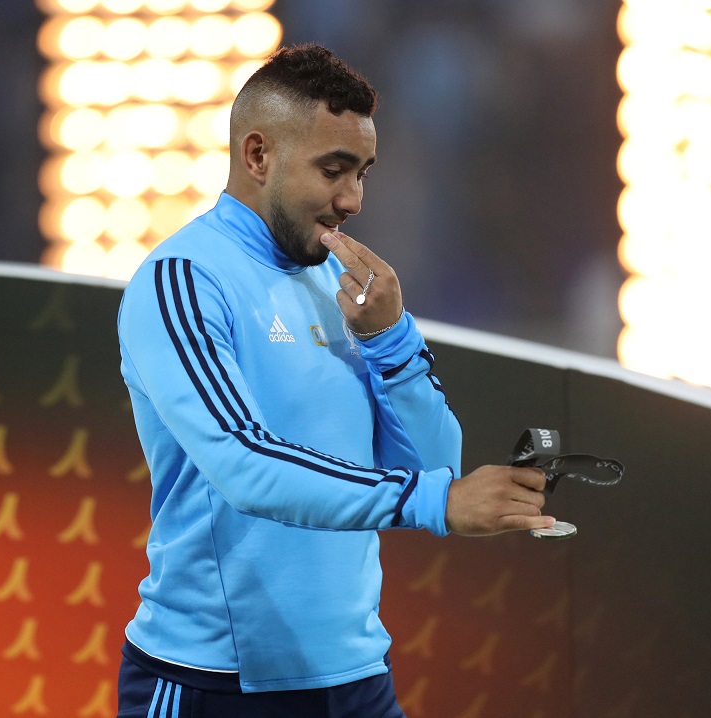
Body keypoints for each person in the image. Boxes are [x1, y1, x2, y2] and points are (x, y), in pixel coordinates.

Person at [115, 43, 556, 718]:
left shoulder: (341, 287)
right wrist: (434, 501)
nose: (352, 199)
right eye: (333, 170)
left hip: (356, 676)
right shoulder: (183, 278)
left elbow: (437, 464)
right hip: (215, 685)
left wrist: (393, 339)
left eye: (363, 173)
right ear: (257, 156)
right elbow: (245, 463)